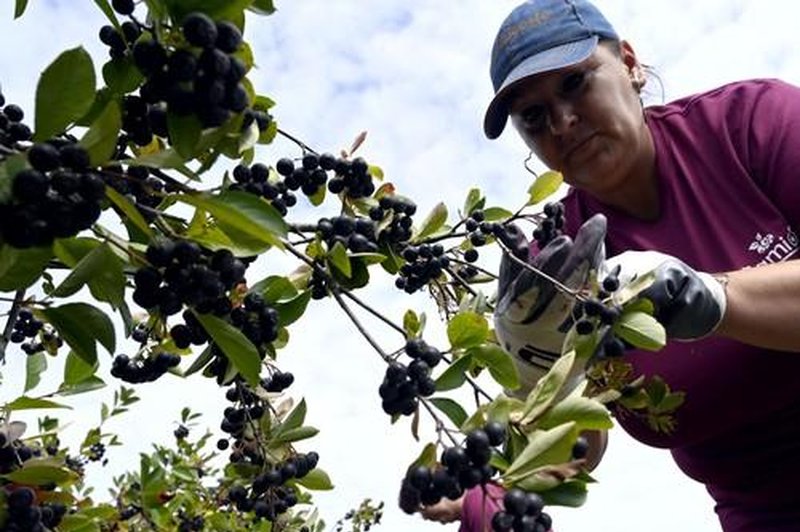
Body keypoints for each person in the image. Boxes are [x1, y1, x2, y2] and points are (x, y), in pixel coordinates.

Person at [486, 1, 800, 531]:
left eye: (574, 83)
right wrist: (537, 381)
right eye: (533, 117)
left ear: (629, 63)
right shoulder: (558, 265)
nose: (561, 122)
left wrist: (714, 297)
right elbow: (576, 450)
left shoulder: (749, 123)